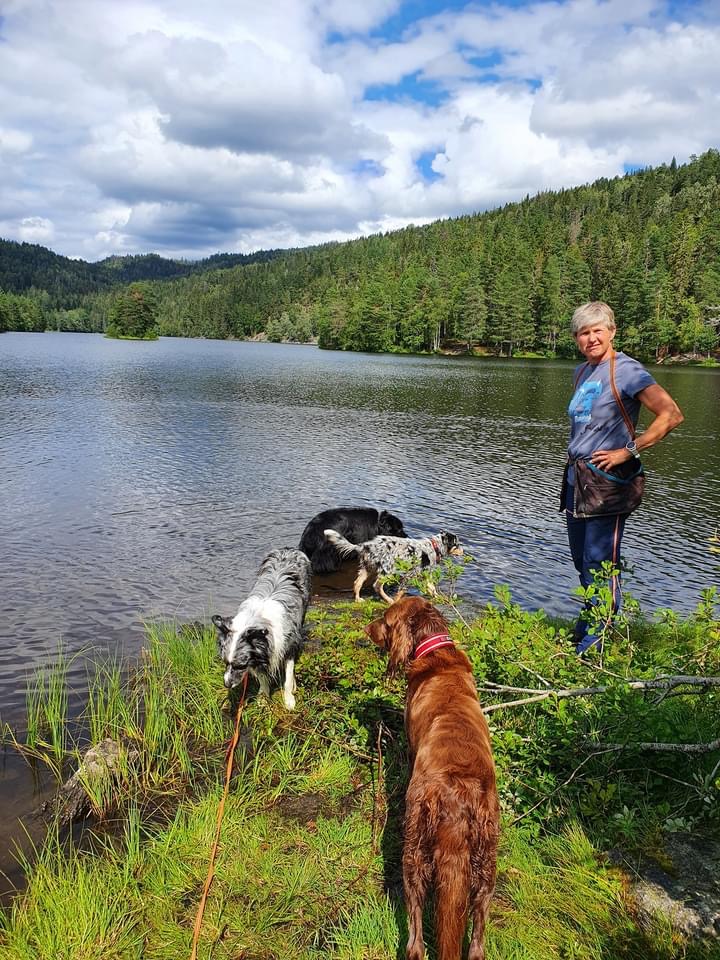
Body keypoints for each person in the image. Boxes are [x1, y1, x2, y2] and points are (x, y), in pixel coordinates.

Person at [562, 301, 683, 654]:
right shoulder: (582, 373)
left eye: (598, 330)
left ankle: (594, 643)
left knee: (600, 560)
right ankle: (588, 622)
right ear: (576, 339)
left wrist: (629, 450)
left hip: (606, 483)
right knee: (581, 559)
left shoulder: (627, 370)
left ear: (612, 332)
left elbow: (671, 414)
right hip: (577, 480)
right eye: (584, 332)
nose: (591, 337)